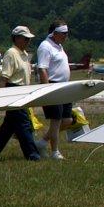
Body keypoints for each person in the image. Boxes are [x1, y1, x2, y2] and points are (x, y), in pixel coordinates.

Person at [0, 25, 41, 162]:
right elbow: (5, 76)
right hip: (13, 90)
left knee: (9, 127)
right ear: (17, 38)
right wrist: (2, 96)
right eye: (25, 39)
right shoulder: (11, 53)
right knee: (24, 124)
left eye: (29, 39)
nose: (28, 42)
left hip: (23, 91)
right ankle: (33, 155)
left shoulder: (25, 54)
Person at [36, 19, 71, 160]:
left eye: (67, 33)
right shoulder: (45, 46)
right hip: (53, 85)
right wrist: (47, 89)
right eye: (63, 33)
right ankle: (55, 151)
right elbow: (42, 69)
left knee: (67, 120)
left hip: (64, 86)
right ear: (54, 33)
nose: (66, 36)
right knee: (56, 121)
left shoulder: (59, 46)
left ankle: (42, 142)